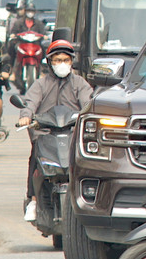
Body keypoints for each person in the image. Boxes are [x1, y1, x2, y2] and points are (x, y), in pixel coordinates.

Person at [16, 39, 93, 222]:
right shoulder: (41, 84)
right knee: (35, 157)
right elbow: (30, 103)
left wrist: (90, 113)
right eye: (57, 60)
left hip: (72, 134)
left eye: (65, 60)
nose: (62, 64)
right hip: (45, 134)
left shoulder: (79, 83)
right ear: (50, 62)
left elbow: (88, 103)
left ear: (71, 62)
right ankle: (33, 200)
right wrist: (26, 116)